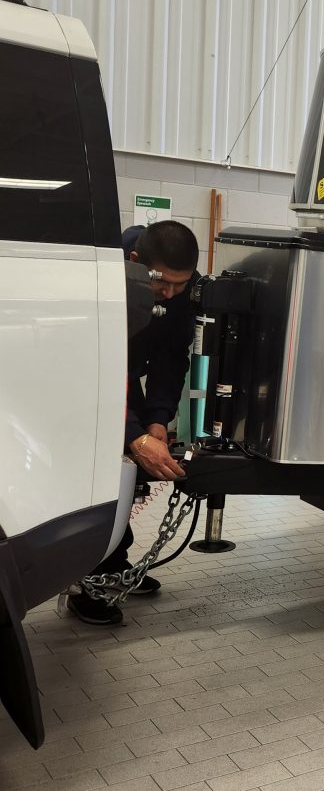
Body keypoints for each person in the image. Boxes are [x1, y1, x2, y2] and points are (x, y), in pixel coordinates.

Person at [67, 220, 200, 626]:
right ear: (137, 262)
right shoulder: (99, 276)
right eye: (164, 284)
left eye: (180, 285)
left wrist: (157, 422)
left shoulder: (180, 293)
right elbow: (94, 365)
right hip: (82, 374)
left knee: (129, 469)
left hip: (124, 374)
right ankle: (85, 581)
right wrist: (134, 436)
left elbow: (170, 357)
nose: (171, 294)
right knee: (97, 470)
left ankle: (113, 563)